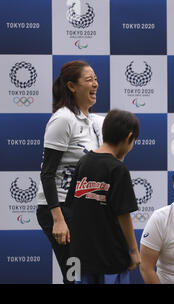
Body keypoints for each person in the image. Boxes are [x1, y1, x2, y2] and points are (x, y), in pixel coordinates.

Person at [36, 60, 103, 284]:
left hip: (83, 209)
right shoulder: (63, 119)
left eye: (95, 79)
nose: (95, 84)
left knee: (87, 273)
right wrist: (58, 219)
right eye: (89, 80)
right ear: (72, 86)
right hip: (59, 209)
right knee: (75, 275)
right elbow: (47, 173)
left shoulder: (93, 122)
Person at [64, 109, 140, 284]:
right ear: (129, 137)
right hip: (112, 258)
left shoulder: (83, 163)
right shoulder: (118, 169)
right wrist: (134, 250)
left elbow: (72, 206)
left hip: (80, 256)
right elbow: (123, 214)